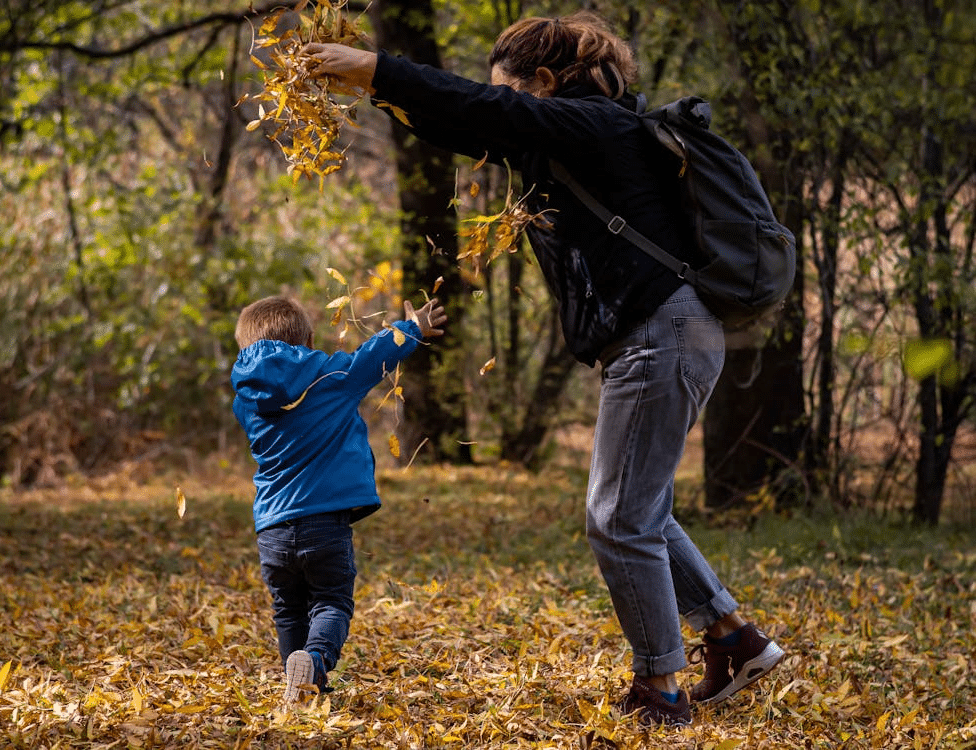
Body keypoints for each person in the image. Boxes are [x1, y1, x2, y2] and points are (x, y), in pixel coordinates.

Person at [302, 9, 784, 726]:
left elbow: (483, 108)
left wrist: (377, 66)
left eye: (514, 91)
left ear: (547, 83)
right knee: (636, 510)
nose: (506, 105)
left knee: (616, 518)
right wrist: (375, 90)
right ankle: (734, 639)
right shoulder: (563, 140)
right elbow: (463, 123)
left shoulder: (599, 126)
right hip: (658, 336)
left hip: (663, 333)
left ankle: (660, 689)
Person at [231, 293, 447, 701]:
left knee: (288, 610)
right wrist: (411, 329)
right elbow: (372, 356)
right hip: (323, 523)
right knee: (330, 603)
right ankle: (313, 663)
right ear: (308, 339)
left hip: (272, 529)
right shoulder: (330, 376)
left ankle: (301, 687)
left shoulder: (245, 399)